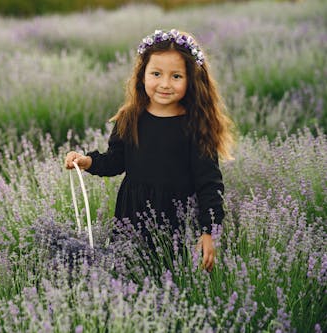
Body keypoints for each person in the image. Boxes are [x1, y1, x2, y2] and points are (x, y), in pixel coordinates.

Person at [64, 29, 235, 272]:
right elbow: (115, 161)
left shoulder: (195, 126)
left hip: (177, 219)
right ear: (142, 74)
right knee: (129, 272)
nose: (165, 84)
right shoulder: (130, 118)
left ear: (192, 80)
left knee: (173, 274)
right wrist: (87, 162)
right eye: (156, 73)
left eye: (176, 76)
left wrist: (209, 231)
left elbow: (209, 184)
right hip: (132, 215)